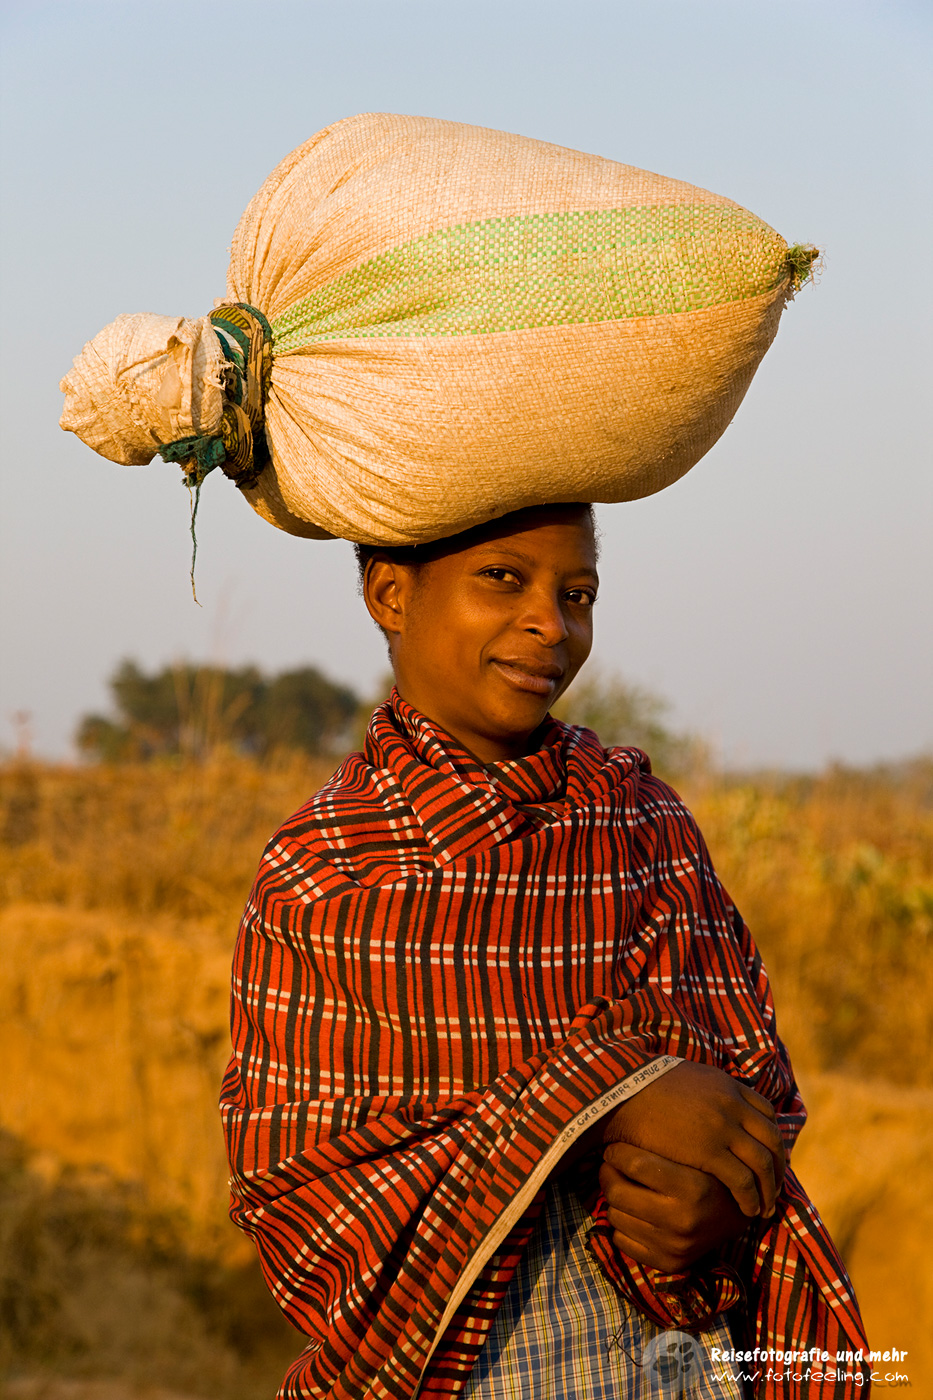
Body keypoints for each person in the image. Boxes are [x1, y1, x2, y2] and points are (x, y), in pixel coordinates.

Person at [221, 502, 868, 1399]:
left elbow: (750, 1084)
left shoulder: (640, 820)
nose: (549, 624)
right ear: (389, 594)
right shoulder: (328, 869)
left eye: (578, 593)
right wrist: (615, 1096)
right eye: (502, 578)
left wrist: (716, 1196)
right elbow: (303, 1187)